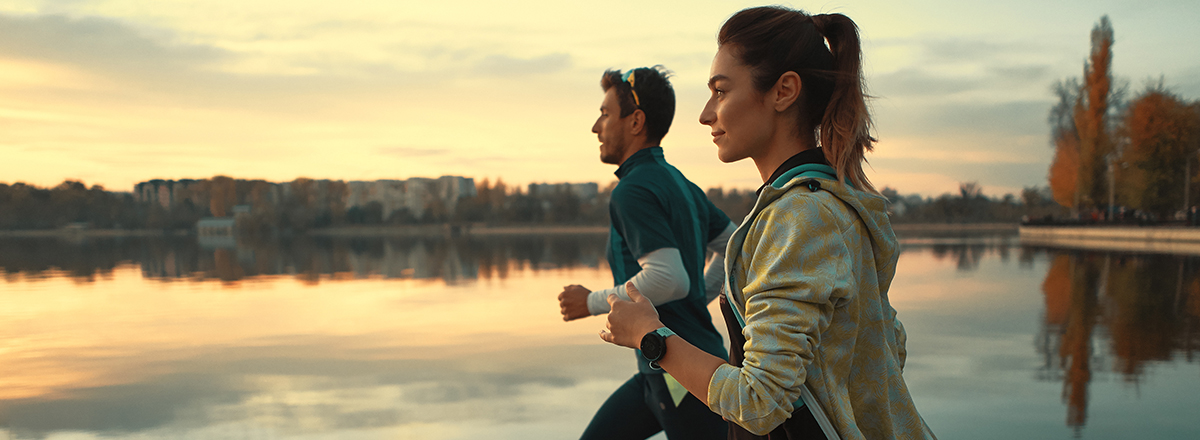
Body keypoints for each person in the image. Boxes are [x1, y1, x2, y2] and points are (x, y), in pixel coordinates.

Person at [599, 7, 937, 440]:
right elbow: (889, 348)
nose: (705, 114)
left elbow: (760, 403)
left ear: (784, 92)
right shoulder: (837, 201)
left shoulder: (799, 218)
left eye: (721, 91)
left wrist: (652, 336)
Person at [557, 65, 736, 440]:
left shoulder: (633, 189)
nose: (596, 126)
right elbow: (734, 247)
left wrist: (589, 302)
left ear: (636, 121)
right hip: (661, 368)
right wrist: (696, 297)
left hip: (681, 377)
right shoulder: (680, 183)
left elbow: (666, 277)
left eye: (605, 114)